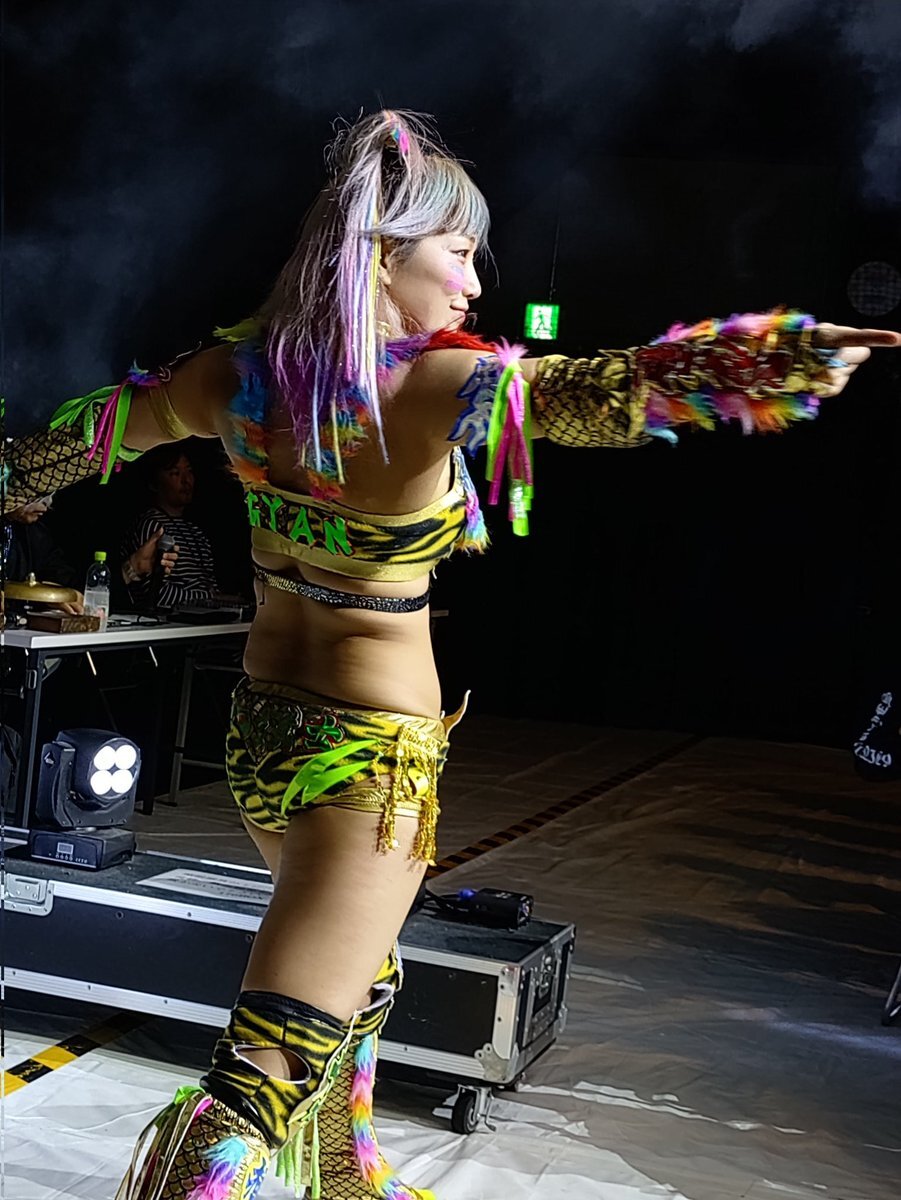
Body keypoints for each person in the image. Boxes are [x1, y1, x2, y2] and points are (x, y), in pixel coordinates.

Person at [5, 110, 899, 1200]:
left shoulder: (235, 378)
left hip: (264, 740)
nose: (475, 283)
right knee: (267, 1061)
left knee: (357, 975)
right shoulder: (428, 386)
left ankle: (343, 1178)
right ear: (384, 253)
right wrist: (777, 359)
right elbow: (606, 394)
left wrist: (15, 476)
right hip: (366, 765)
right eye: (461, 251)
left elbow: (96, 432)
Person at [120, 445, 215, 609]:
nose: (186, 480)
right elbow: (156, 595)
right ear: (154, 483)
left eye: (189, 471)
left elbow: (211, 585)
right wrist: (210, 598)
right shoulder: (153, 525)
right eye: (175, 473)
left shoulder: (197, 533)